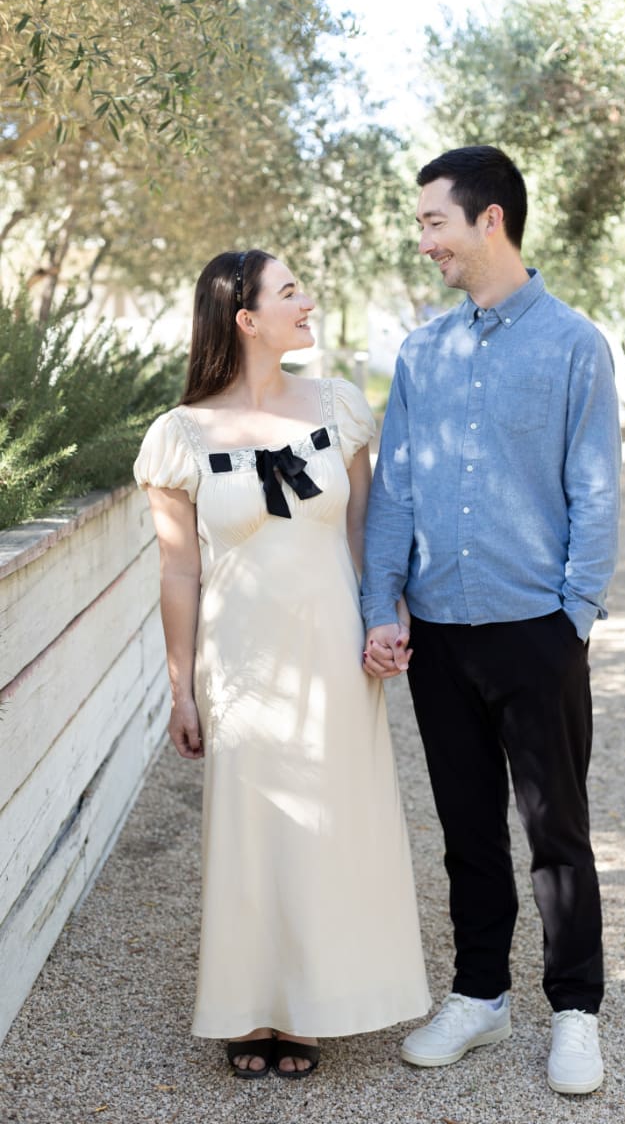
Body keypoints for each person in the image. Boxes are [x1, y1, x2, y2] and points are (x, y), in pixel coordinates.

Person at [361, 146, 620, 1096]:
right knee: (466, 826)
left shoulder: (572, 344)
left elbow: (595, 489)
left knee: (556, 828)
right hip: (437, 633)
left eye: (434, 221)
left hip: (534, 630)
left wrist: (574, 617)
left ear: (489, 222)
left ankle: (575, 1011)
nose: (423, 238)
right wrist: (377, 603)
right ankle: (479, 994)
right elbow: (394, 490)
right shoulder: (421, 352)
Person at [133, 249, 429, 1081]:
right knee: (254, 828)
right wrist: (180, 685)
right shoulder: (178, 436)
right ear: (245, 317)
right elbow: (178, 569)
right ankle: (250, 1009)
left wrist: (386, 618)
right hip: (243, 663)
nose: (308, 302)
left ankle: (314, 1003)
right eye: (290, 291)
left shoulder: (338, 408)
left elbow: (370, 529)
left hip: (333, 651)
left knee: (334, 825)